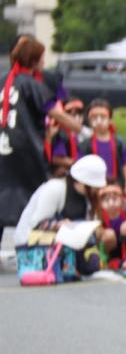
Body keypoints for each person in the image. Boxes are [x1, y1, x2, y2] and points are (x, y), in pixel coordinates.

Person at [0, 36, 82, 250]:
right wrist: (82, 129)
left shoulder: (4, 81)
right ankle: (41, 246)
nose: (44, 62)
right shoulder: (31, 84)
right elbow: (57, 114)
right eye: (42, 58)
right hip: (24, 153)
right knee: (37, 198)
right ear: (34, 61)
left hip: (3, 149)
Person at [14, 154, 106, 245]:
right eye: (95, 186)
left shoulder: (88, 199)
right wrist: (58, 225)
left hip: (67, 244)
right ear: (81, 181)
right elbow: (37, 223)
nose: (97, 190)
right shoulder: (55, 188)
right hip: (33, 244)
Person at [80, 99, 126, 190]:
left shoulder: (120, 142)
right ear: (89, 120)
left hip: (116, 186)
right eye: (94, 117)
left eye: (103, 117)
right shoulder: (85, 145)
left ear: (110, 119)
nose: (99, 121)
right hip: (94, 188)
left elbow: (125, 166)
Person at [45, 97, 84, 178]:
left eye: (79, 113)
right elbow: (56, 158)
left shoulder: (81, 135)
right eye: (71, 114)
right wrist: (79, 164)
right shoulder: (60, 133)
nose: (76, 117)